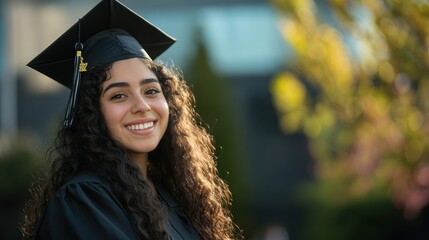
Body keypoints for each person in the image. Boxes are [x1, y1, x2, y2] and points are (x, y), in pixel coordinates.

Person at [21, 0, 241, 239]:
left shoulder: (173, 197)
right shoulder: (84, 201)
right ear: (91, 114)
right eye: (118, 95)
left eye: (151, 91)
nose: (142, 106)